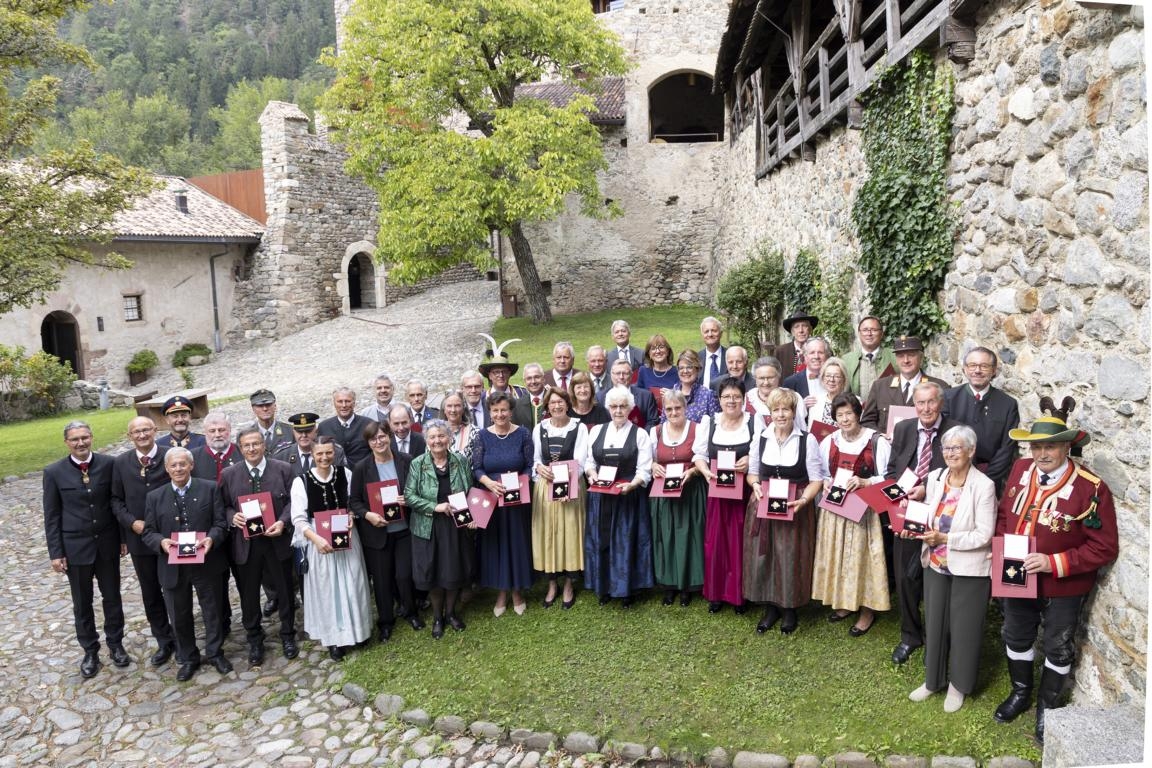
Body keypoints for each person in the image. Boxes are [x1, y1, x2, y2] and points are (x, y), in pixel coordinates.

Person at [992, 415, 1118, 743]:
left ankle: (1047, 709)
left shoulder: (1092, 488)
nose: (1041, 453)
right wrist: (1005, 550)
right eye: (1036, 446)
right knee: (1016, 636)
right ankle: (1020, 693)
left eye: (1050, 446)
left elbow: (1104, 547)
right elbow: (1005, 514)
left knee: (1058, 647)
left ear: (1066, 446)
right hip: (1017, 575)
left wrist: (1053, 562)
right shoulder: (1020, 470)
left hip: (1064, 585)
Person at [904, 425, 995, 713]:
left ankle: (958, 686)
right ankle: (933, 681)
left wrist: (945, 539)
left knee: (964, 628)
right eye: (947, 448)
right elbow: (928, 514)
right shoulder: (935, 477)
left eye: (957, 448)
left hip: (969, 568)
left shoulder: (984, 485)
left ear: (971, 451)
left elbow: (984, 535)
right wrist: (914, 529)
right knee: (935, 622)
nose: (951, 453)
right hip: (935, 562)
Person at [886, 381, 962, 665]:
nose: (926, 408)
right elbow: (894, 467)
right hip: (907, 508)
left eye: (931, 402)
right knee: (905, 577)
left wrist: (926, 488)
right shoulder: (905, 428)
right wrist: (899, 493)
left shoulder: (955, 430)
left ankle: (938, 636)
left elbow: (961, 469)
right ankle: (910, 636)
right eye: (920, 403)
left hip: (941, 510)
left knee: (937, 577)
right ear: (914, 405)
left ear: (940, 403)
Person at [44, 420, 127, 678]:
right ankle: (90, 650)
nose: (80, 443)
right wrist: (56, 552)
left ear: (91, 437)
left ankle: (116, 644)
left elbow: (117, 503)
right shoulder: (54, 472)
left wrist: (123, 537)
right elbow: (52, 515)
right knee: (82, 602)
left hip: (107, 544)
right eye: (75, 439)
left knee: (112, 597)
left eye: (84, 437)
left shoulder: (108, 464)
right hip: (75, 547)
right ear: (67, 442)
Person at [142, 448, 232, 680]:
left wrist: (212, 538)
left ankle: (215, 652)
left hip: (206, 562)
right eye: (174, 465)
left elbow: (221, 523)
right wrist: (161, 542)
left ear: (191, 465)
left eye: (183, 464)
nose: (178, 469)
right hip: (173, 566)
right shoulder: (155, 496)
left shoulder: (210, 488)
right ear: (167, 468)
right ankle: (189, 657)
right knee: (179, 614)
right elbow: (148, 532)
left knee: (213, 611)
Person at [811, 393, 891, 637]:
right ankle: (845, 602)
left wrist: (865, 481)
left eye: (849, 413)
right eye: (840, 415)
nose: (845, 419)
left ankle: (867, 610)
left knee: (862, 559)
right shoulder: (830, 441)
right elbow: (824, 472)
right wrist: (825, 482)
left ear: (858, 413)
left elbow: (889, 476)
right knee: (840, 556)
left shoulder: (876, 441)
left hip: (864, 511)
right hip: (836, 509)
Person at [745, 388, 823, 634]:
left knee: (790, 557)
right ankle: (770, 606)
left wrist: (803, 500)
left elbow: (816, 480)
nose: (780, 415)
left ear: (793, 412)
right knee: (765, 556)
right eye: (776, 410)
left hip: (794, 506)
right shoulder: (761, 438)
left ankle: (789, 608)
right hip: (764, 503)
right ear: (770, 413)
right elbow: (753, 472)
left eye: (786, 410)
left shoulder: (807, 440)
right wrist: (755, 485)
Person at [219, 427, 299, 665]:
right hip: (247, 545)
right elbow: (222, 506)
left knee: (284, 590)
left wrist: (283, 522)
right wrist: (232, 516)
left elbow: (294, 502)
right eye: (247, 446)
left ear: (264, 445)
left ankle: (287, 634)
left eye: (256, 444)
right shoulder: (229, 474)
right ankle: (254, 638)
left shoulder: (283, 469)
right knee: (249, 594)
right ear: (240, 448)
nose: (252, 449)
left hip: (277, 541)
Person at [290, 436, 372, 660]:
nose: (324, 458)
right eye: (320, 454)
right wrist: (316, 540)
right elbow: (298, 519)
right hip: (319, 539)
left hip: (346, 535)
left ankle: (359, 631)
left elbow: (354, 502)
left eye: (328, 453)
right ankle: (335, 639)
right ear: (313, 455)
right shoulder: (302, 481)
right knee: (329, 588)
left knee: (353, 582)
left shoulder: (345, 473)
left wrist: (352, 517)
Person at [349, 420, 423, 642]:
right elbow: (354, 501)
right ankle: (386, 622)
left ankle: (410, 612)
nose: (378, 441)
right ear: (368, 443)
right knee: (381, 580)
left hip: (404, 530)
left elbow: (417, 490)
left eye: (382, 436)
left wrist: (408, 500)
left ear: (389, 437)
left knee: (404, 575)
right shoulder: (362, 468)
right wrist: (368, 515)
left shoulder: (406, 461)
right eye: (373, 439)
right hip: (377, 533)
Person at [111, 416, 176, 667]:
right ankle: (163, 640)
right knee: (150, 593)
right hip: (140, 539)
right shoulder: (121, 463)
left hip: (170, 537)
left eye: (146, 430)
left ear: (155, 430)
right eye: (136, 432)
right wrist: (131, 523)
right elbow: (115, 500)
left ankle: (181, 636)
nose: (141, 435)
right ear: (130, 436)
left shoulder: (171, 455)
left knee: (174, 589)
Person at [584, 385, 654, 606]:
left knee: (625, 541)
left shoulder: (640, 434)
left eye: (623, 406)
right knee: (601, 541)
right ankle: (603, 586)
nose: (618, 411)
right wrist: (592, 474)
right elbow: (589, 462)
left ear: (630, 408)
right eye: (613, 406)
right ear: (608, 408)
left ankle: (627, 590)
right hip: (601, 496)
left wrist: (632, 485)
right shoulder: (596, 431)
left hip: (627, 497)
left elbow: (645, 470)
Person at [405, 420, 476, 639]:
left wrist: (473, 515)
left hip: (455, 525)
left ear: (449, 438)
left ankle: (451, 613)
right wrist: (435, 507)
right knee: (433, 572)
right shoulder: (418, 464)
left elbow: (471, 490)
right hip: (428, 526)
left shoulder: (460, 461)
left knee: (453, 570)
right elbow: (409, 496)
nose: (437, 441)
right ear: (426, 440)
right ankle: (437, 617)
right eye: (433, 437)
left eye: (441, 436)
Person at [693, 379, 755, 615]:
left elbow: (758, 452)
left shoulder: (752, 422)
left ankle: (739, 595)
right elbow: (698, 454)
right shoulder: (709, 423)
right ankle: (716, 593)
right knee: (716, 543)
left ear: (743, 399)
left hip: (742, 493)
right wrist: (705, 470)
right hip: (717, 492)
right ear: (719, 400)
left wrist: (749, 460)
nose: (731, 401)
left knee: (740, 542)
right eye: (727, 396)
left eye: (736, 396)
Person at [473, 392, 535, 616]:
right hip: (491, 499)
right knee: (495, 545)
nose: (500, 414)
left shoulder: (523, 434)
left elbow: (529, 466)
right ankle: (500, 591)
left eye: (504, 410)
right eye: (495, 410)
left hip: (516, 499)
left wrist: (520, 482)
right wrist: (489, 483)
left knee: (516, 544)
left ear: (511, 411)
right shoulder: (481, 436)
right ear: (490, 413)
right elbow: (477, 468)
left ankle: (518, 590)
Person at [531, 387, 589, 609]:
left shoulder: (579, 427)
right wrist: (539, 468)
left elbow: (581, 462)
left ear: (568, 404)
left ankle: (568, 584)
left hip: (571, 488)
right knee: (549, 534)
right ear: (547, 406)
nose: (557, 406)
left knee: (570, 533)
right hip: (545, 489)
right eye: (552, 403)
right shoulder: (540, 428)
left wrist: (567, 486)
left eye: (561, 402)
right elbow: (535, 458)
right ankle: (552, 584)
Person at [648, 390, 706, 606]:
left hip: (691, 492)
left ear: (685, 408)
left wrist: (692, 472)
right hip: (664, 495)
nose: (674, 412)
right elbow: (649, 460)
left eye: (678, 408)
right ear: (664, 410)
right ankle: (669, 584)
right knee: (666, 536)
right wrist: (653, 466)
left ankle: (688, 585)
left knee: (690, 537)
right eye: (669, 409)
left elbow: (703, 458)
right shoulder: (655, 432)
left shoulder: (697, 429)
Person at [943, 346, 1020, 494]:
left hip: (989, 480)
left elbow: (1007, 448)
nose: (977, 370)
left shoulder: (1008, 404)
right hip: (953, 476)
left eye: (984, 366)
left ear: (994, 371)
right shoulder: (949, 398)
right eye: (972, 365)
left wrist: (986, 480)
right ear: (965, 369)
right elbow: (943, 440)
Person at [860, 335, 948, 434]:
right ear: (896, 360)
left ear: (921, 357)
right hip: (888, 446)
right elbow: (867, 422)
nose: (906, 360)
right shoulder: (880, 386)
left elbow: (946, 422)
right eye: (901, 356)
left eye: (911, 355)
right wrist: (881, 438)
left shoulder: (940, 387)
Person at [274, 412, 347, 475]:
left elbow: (343, 479)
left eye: (308, 431)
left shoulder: (335, 452)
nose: (304, 435)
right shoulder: (282, 456)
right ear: (294, 432)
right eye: (299, 432)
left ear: (316, 431)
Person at [744, 356, 806, 431]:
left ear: (778, 376)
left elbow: (801, 429)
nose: (766, 382)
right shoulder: (746, 399)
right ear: (755, 378)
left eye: (770, 378)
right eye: (761, 378)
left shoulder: (793, 397)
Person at [841, 316, 897, 398]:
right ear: (859, 334)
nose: (869, 334)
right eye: (865, 330)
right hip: (857, 409)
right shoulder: (847, 360)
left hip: (887, 409)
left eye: (874, 330)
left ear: (881, 334)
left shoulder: (894, 356)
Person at [597, 359, 659, 429]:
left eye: (625, 373)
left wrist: (640, 436)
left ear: (631, 375)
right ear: (611, 375)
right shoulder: (600, 397)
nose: (621, 377)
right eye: (617, 373)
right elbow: (599, 423)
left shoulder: (646, 396)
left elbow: (653, 422)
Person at [319, 387, 374, 465]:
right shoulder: (324, 427)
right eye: (340, 401)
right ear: (334, 403)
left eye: (347, 401)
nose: (344, 405)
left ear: (354, 403)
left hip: (364, 474)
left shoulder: (368, 424)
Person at [671, 350, 720, 423]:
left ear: (698, 369)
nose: (685, 371)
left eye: (689, 367)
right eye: (681, 368)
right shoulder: (671, 394)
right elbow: (663, 423)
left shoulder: (708, 396)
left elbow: (716, 425)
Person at [191, 412, 241, 482]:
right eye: (212, 431)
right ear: (205, 432)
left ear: (230, 430)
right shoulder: (192, 457)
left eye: (221, 430)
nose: (217, 435)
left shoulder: (243, 452)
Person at [782, 337, 831, 406]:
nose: (816, 356)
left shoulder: (835, 379)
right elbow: (784, 410)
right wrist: (801, 406)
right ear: (805, 356)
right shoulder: (790, 382)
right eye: (812, 353)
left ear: (827, 356)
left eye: (820, 352)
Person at [246, 389, 294, 454]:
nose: (265, 409)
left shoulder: (290, 431)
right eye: (260, 406)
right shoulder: (247, 435)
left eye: (268, 404)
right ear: (253, 409)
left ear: (275, 406)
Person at [807, 357, 850, 429]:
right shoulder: (815, 402)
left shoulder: (854, 401)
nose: (831, 380)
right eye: (828, 376)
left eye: (837, 376)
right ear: (823, 378)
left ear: (844, 379)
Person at [441, 391, 480, 460]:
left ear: (463, 409)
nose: (453, 410)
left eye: (457, 406)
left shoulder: (475, 432)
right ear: (444, 409)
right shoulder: (434, 433)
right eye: (449, 406)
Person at [511, 363, 549, 428]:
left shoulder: (554, 400)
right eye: (529, 378)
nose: (533, 381)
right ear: (525, 381)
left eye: (536, 377)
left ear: (543, 378)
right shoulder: (517, 405)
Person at [698, 316, 727, 388]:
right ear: (702, 335)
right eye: (706, 331)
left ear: (721, 334)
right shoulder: (696, 358)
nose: (710, 334)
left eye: (714, 330)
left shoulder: (730, 356)